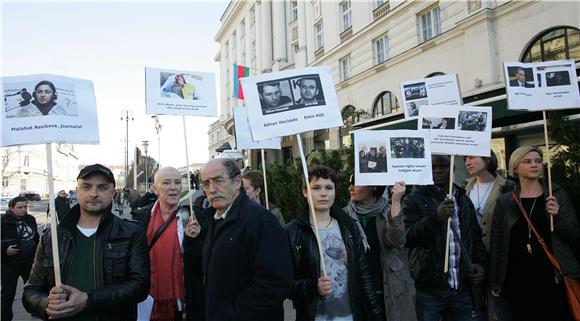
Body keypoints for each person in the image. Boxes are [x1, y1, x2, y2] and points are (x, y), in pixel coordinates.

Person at [23, 164, 150, 321]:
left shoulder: (131, 233)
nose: (94, 193)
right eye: (86, 187)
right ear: (77, 191)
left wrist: (88, 300)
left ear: (113, 192)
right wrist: (47, 304)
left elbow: (140, 287)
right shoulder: (52, 237)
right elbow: (30, 291)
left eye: (102, 188)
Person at [188, 158, 292, 321]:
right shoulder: (214, 219)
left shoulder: (260, 220)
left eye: (218, 181)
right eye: (206, 184)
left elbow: (275, 282)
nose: (212, 189)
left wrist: (231, 315)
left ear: (237, 182)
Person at [489, 146, 579, 321]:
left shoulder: (555, 194)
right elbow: (497, 241)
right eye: (527, 161)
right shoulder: (505, 201)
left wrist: (557, 216)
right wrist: (495, 279)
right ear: (515, 167)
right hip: (517, 276)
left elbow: (573, 234)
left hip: (552, 274)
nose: (534, 165)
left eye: (538, 161)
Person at [285, 165, 382, 321]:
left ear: (335, 192)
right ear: (305, 192)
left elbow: (364, 276)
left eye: (329, 188)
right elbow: (285, 284)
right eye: (316, 188)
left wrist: (376, 315)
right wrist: (312, 287)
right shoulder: (292, 232)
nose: (323, 193)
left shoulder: (349, 228)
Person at [403, 155, 487, 321]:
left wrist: (482, 266)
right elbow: (407, 237)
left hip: (461, 287)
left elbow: (475, 238)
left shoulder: (463, 199)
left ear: (452, 169)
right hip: (430, 289)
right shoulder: (414, 200)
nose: (438, 171)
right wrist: (435, 218)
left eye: (443, 166)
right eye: (433, 167)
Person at [345, 176, 417, 321]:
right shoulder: (344, 215)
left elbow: (397, 241)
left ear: (373, 186)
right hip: (356, 290)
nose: (350, 188)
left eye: (355, 183)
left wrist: (396, 201)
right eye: (349, 183)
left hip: (387, 287)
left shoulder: (389, 212)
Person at [133, 167, 199, 321]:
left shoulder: (193, 217)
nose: (173, 187)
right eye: (166, 183)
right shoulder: (142, 217)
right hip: (148, 298)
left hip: (184, 299)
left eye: (177, 182)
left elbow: (201, 260)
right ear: (155, 189)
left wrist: (193, 241)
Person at [462, 151, 514, 321]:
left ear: (487, 159)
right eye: (465, 159)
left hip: (498, 258)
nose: (467, 162)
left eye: (471, 157)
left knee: (500, 311)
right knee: (476, 311)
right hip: (473, 259)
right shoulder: (464, 187)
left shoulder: (507, 186)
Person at [1, 196, 39, 321]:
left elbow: (36, 238)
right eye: (20, 207)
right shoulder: (3, 221)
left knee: (33, 290)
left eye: (25, 207)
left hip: (29, 261)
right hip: (10, 263)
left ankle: (35, 310)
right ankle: (5, 317)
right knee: (8, 293)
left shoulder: (30, 219)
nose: (23, 210)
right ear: (11, 208)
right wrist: (4, 249)